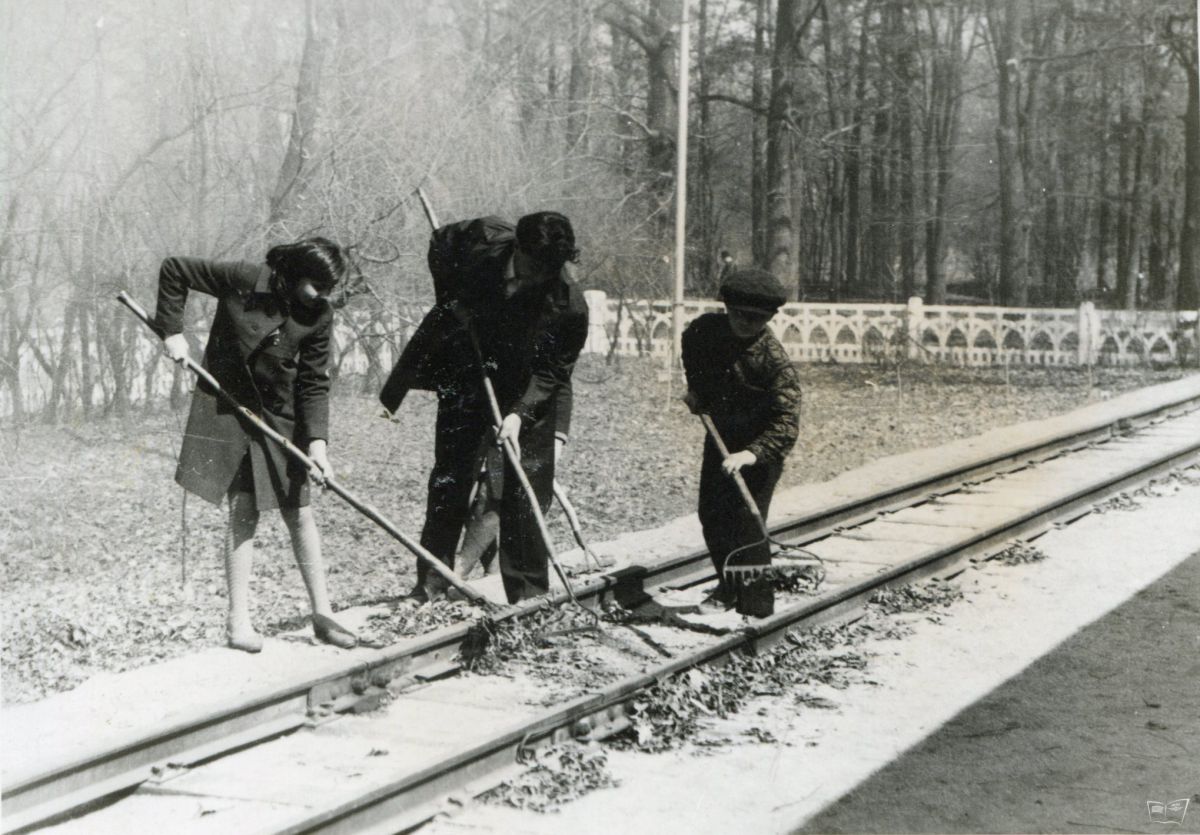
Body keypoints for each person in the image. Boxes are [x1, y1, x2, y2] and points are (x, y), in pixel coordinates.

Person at [154, 238, 358, 652]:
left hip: (280, 415)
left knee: (299, 511)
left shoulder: (319, 313)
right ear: (296, 273)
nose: (321, 296)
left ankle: (324, 614)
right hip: (229, 408)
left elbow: (314, 380)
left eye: (328, 290)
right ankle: (238, 623)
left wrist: (317, 445)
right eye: (316, 285)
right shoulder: (244, 279)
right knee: (242, 510)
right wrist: (171, 331)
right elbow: (175, 267)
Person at [380, 212, 588, 604]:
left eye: (548, 271)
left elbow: (553, 373)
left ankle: (528, 596)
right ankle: (431, 584)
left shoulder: (569, 305)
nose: (537, 279)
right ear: (517, 248)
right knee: (450, 480)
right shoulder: (483, 241)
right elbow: (440, 242)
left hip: (527, 388)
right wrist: (452, 301)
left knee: (526, 491)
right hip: (470, 371)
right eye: (531, 267)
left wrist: (518, 414)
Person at [681, 268, 802, 617]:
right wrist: (697, 391)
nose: (748, 324)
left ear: (769, 319)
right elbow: (691, 352)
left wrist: (751, 454)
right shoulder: (704, 331)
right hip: (721, 437)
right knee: (713, 516)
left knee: (748, 522)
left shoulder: (773, 362)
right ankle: (728, 589)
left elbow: (786, 423)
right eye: (741, 316)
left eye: (758, 320)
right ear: (727, 309)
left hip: (760, 449)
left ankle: (757, 608)